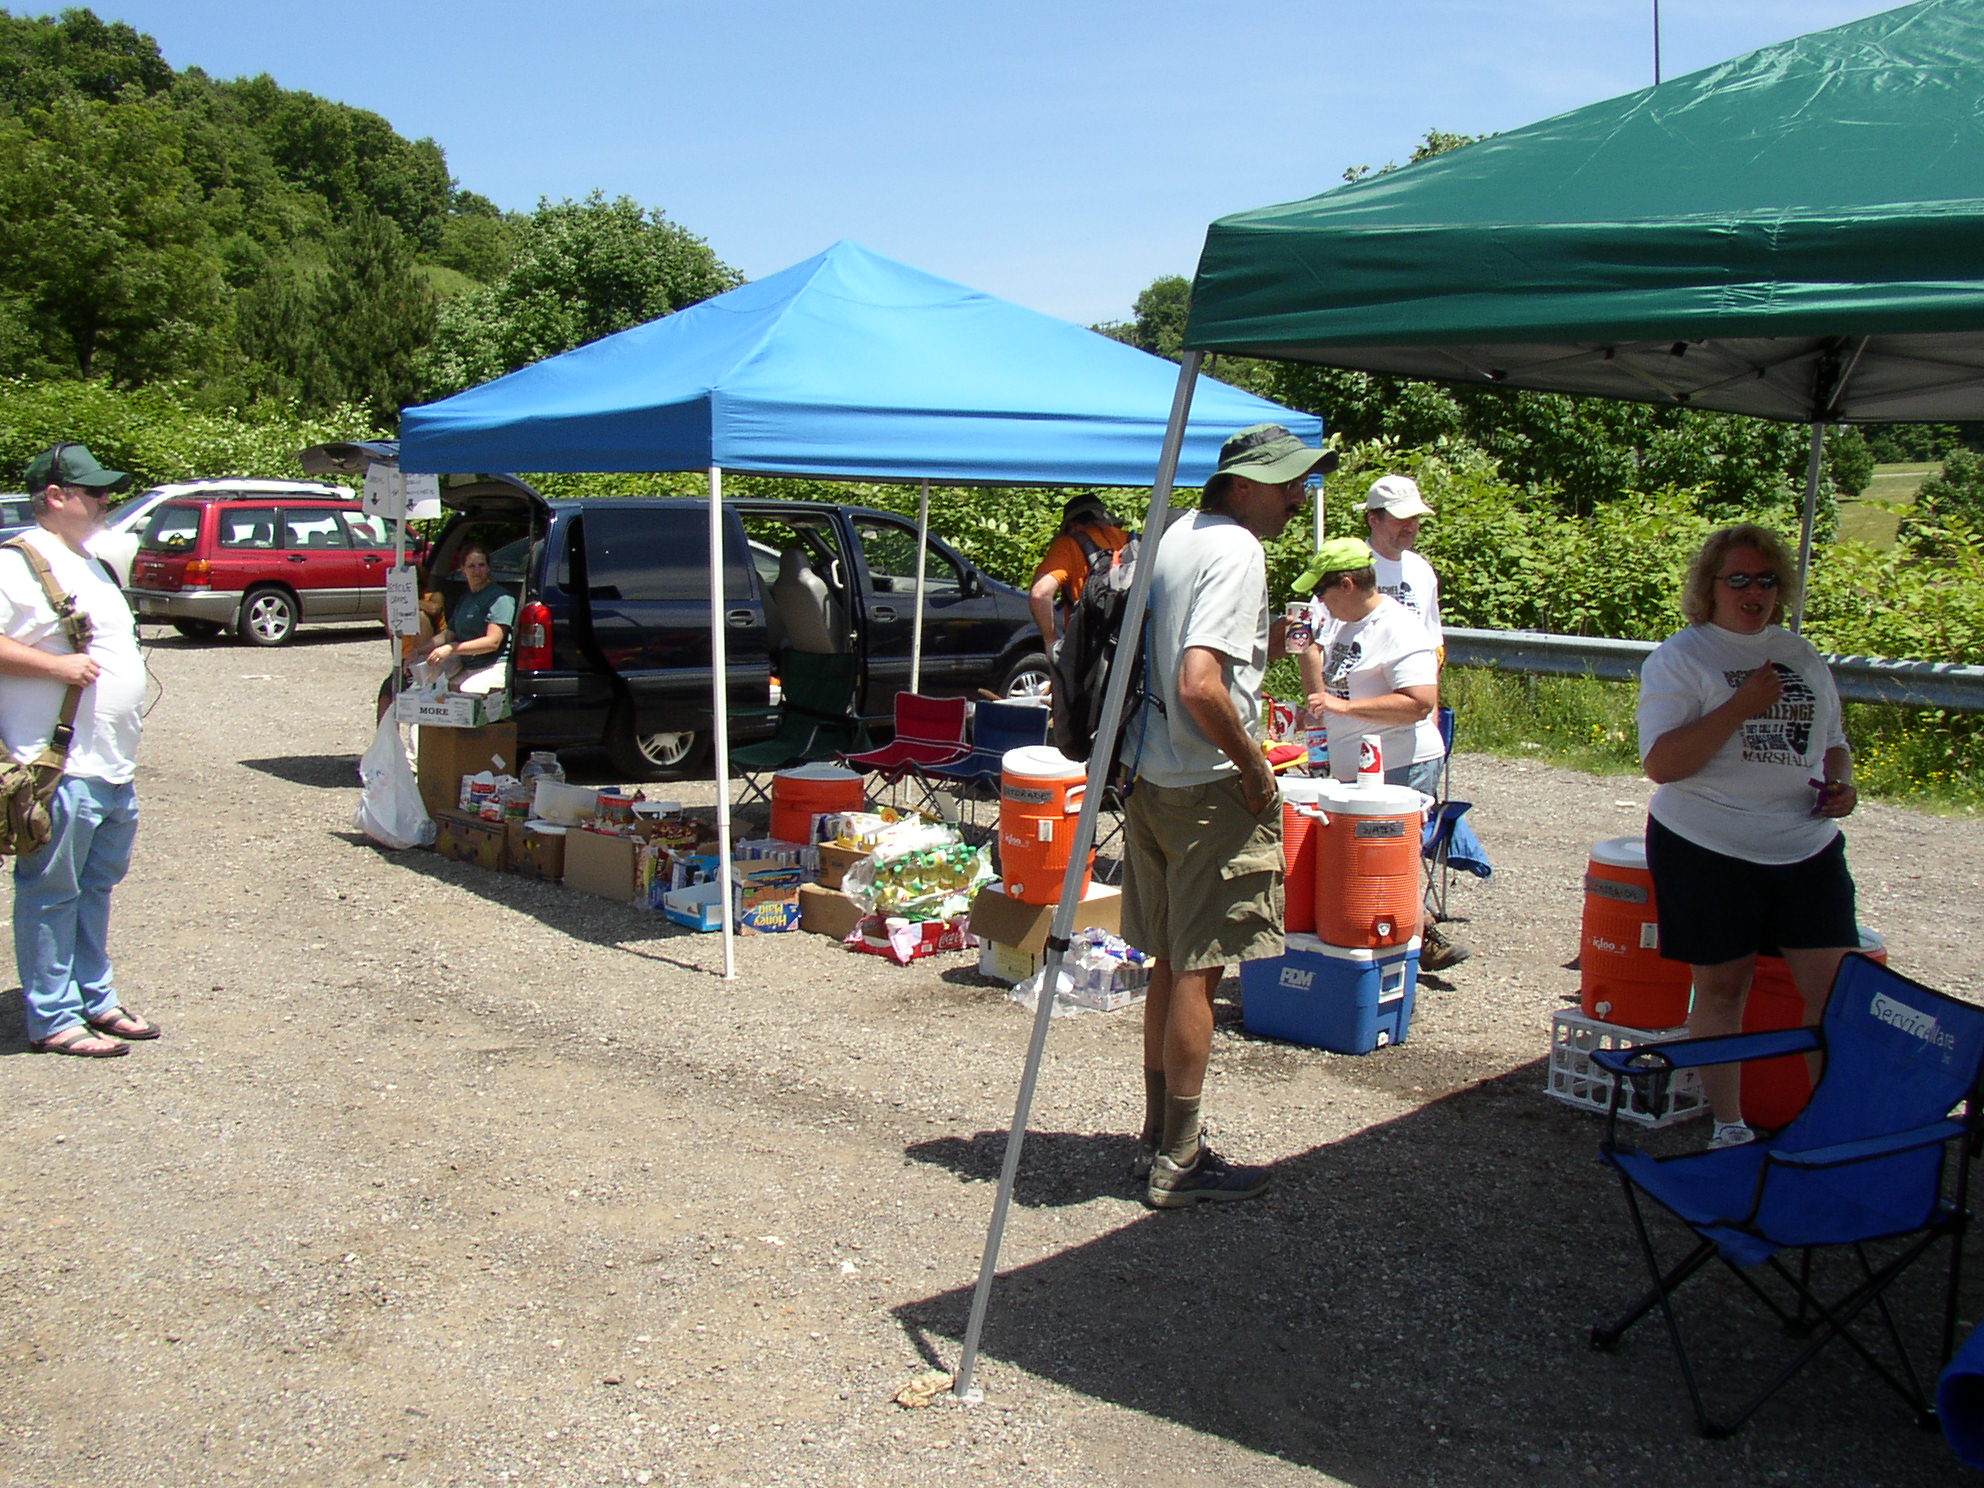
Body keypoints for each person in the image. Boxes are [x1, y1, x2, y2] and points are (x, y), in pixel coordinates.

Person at [1121, 423, 1323, 1208]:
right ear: (1241, 484)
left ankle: (1155, 1139)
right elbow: (1200, 682)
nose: (1297, 496)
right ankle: (1181, 1159)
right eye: (1285, 483)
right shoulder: (1238, 549)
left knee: (1169, 966)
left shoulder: (1174, 534)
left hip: (1150, 778)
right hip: (1206, 785)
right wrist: (1255, 768)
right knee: (1200, 970)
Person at [1637, 524, 1858, 1150]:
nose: (1753, 591)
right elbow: (1663, 764)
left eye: (1765, 579)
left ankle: (1827, 1125)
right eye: (1738, 579)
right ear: (1710, 588)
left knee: (1833, 992)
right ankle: (1729, 1125)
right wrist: (1740, 705)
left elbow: (1834, 744)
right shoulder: (1683, 657)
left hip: (1805, 845)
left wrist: (1842, 787)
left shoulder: (1802, 654)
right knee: (1724, 988)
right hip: (1707, 846)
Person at [0, 443, 158, 1057]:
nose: (106, 501)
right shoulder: (18, 563)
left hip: (112, 765)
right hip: (58, 764)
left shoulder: (87, 560)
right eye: (93, 492)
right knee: (51, 890)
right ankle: (55, 1017)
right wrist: (55, 666)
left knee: (95, 888)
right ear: (55, 496)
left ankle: (96, 997)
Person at [1295, 537, 1470, 972]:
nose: (1320, 601)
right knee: (1359, 859)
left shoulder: (1399, 627)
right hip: (1353, 761)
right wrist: (1309, 664)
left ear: (1349, 584)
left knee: (1388, 859)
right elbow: (1326, 692)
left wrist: (1344, 708)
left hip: (1399, 762)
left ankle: (1415, 940)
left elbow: (1419, 702)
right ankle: (1388, 940)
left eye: (1323, 591)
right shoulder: (1340, 623)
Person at [1029, 493, 1130, 648]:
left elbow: (1040, 594)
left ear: (1073, 526)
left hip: (1089, 649)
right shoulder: (1133, 541)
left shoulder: (1068, 544)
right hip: (1135, 644)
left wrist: (1051, 640)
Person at [413, 544, 514, 695]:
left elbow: (493, 642)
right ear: (463, 569)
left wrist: (451, 648)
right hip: (466, 666)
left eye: (481, 565)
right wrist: (417, 651)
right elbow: (448, 634)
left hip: (493, 666)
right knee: (430, 689)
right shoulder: (466, 598)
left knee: (466, 694)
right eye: (471, 566)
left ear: (488, 568)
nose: (477, 570)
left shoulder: (500, 598)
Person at [1363, 475, 1442, 644]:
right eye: (1400, 519)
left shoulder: (1421, 569)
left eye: (1415, 518)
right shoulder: (1351, 566)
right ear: (1373, 520)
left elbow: (1432, 639)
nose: (1410, 527)